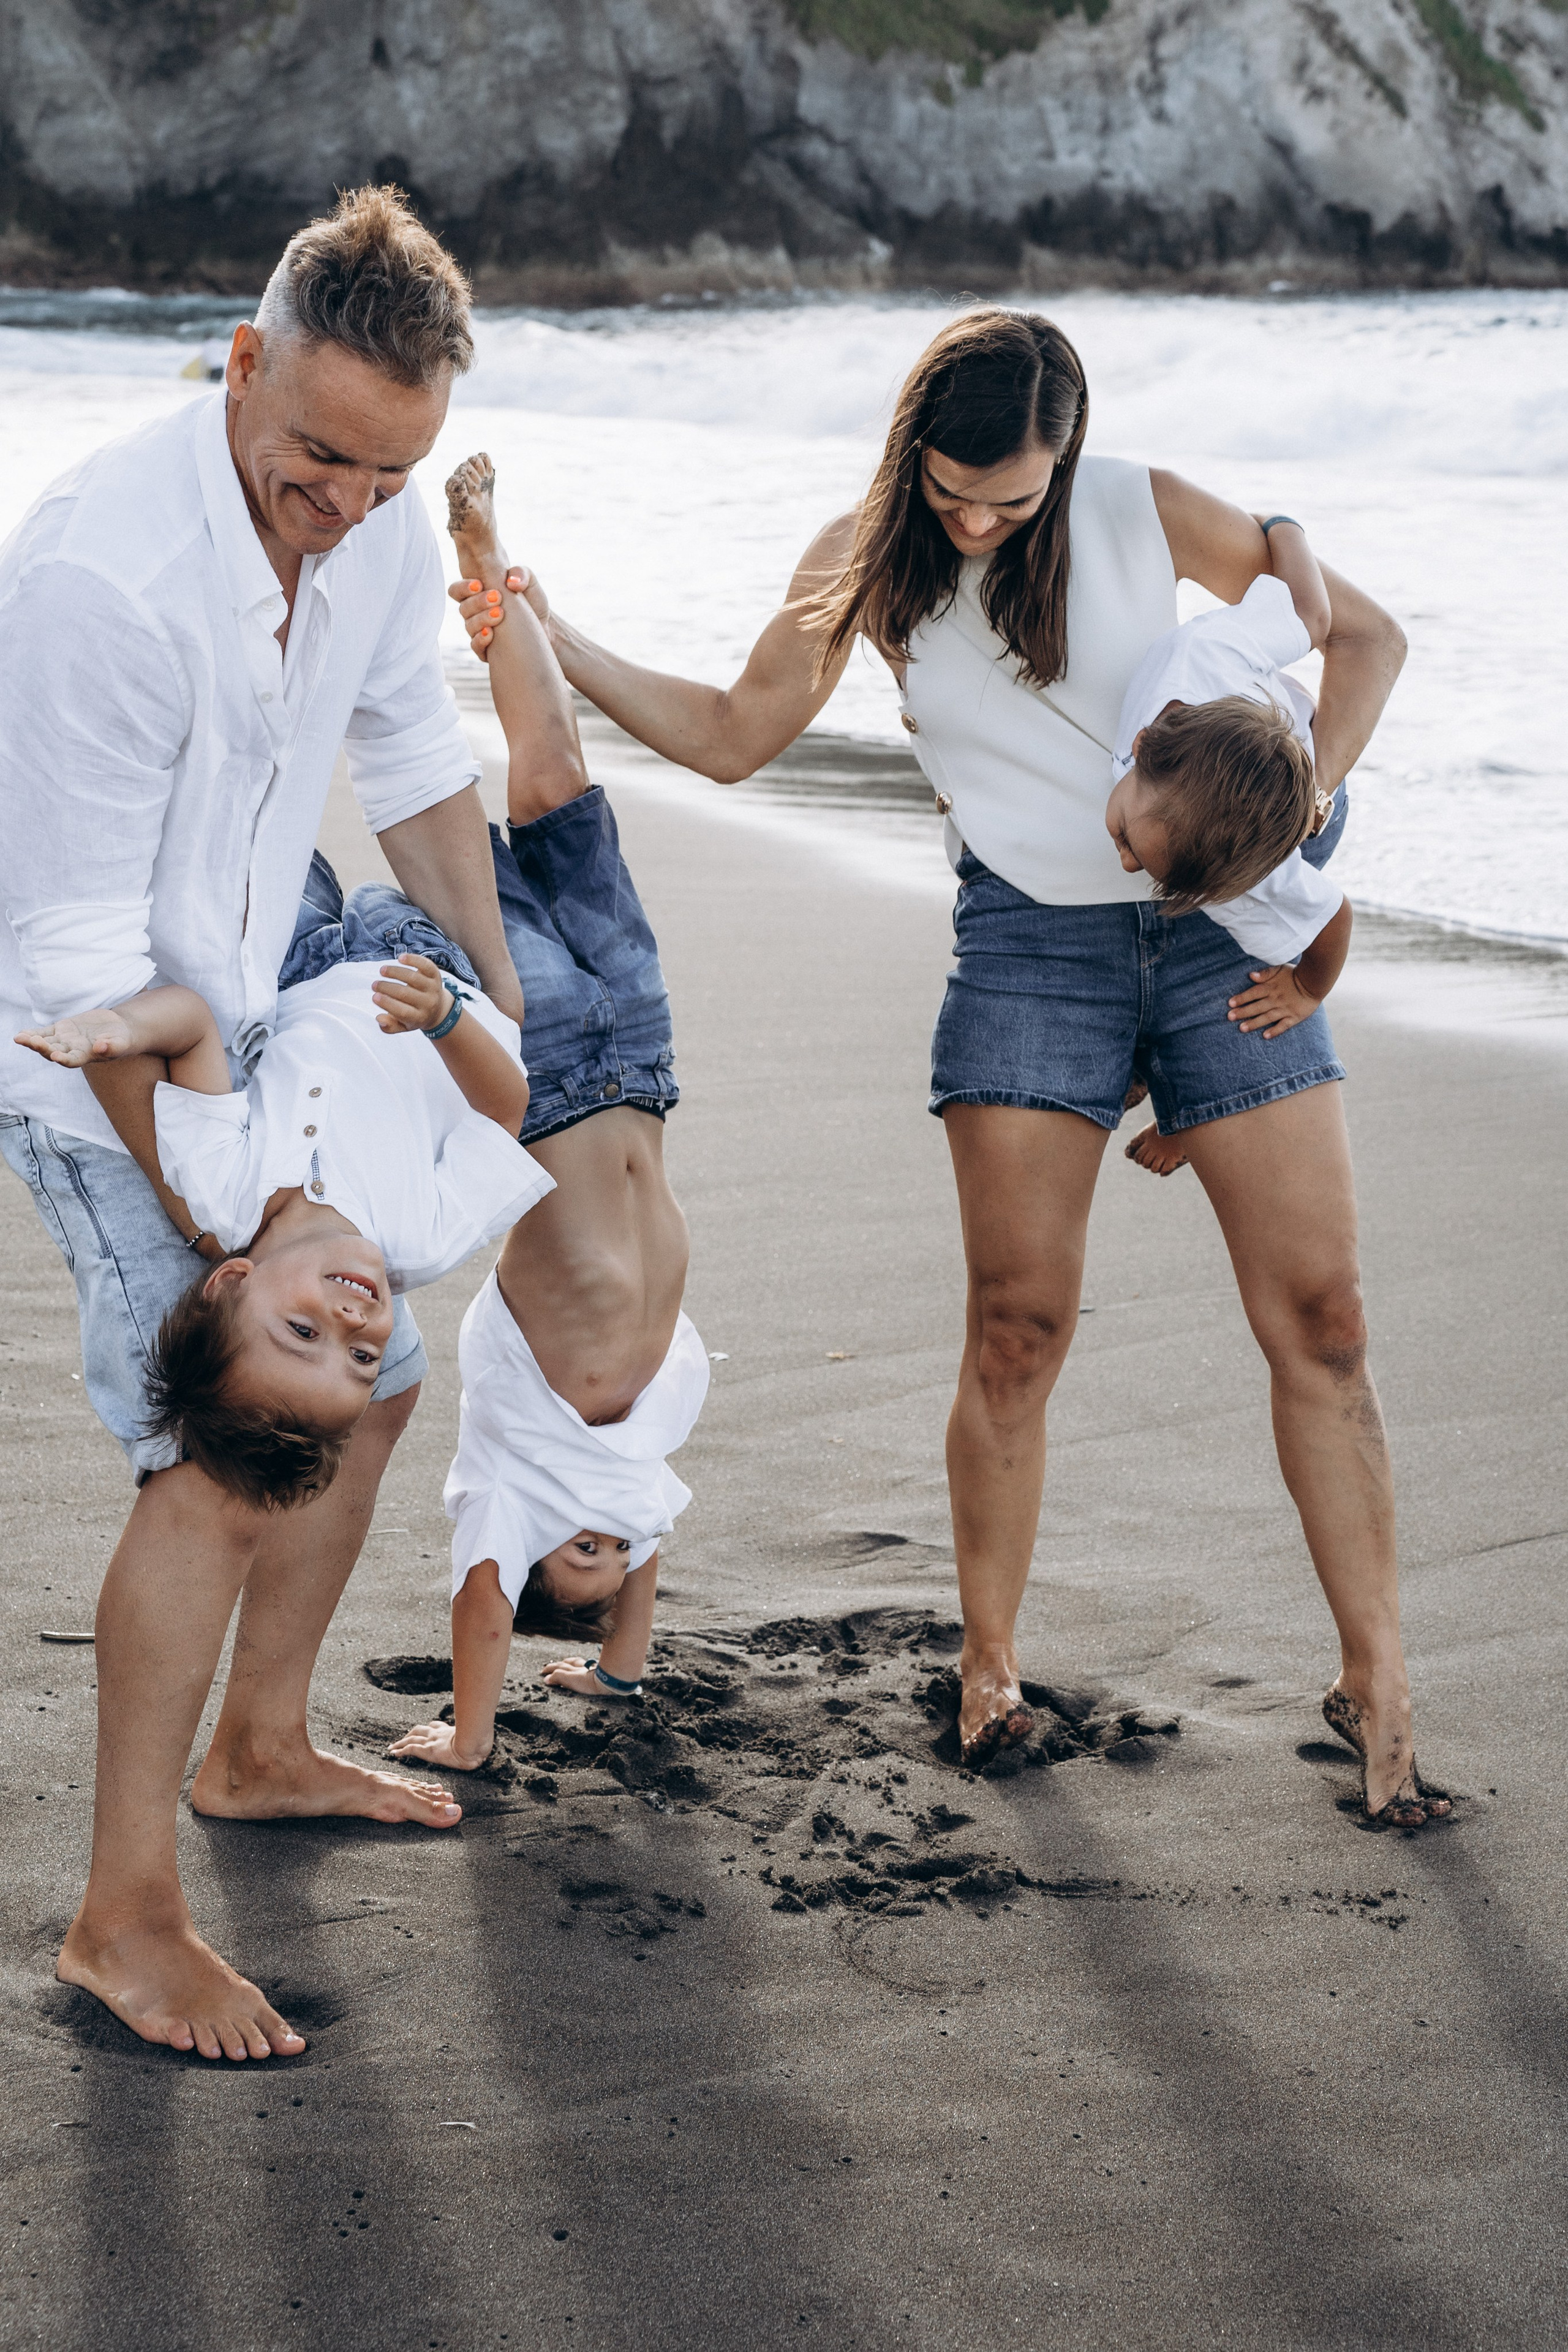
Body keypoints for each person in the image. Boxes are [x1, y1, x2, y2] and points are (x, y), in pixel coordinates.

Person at [464, 307, 1448, 1829]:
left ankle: (1375, 1681)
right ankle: (988, 1669)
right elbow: (734, 734)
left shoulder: (1134, 503)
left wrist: (1286, 800)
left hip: (1217, 943)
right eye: (952, 491)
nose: (979, 520)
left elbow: (1365, 635)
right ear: (911, 447)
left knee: (1322, 1318)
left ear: (1062, 457)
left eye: (1011, 497)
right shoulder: (869, 556)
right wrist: (555, 630)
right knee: (1015, 1324)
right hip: (1027, 948)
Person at [0, 186, 527, 2062]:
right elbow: (77, 972)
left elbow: (407, 749)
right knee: (218, 1451)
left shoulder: (371, 510)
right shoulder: (99, 578)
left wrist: (488, 985)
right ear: (239, 363)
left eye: (390, 475)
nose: (350, 505)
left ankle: (260, 1743)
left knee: (367, 1376)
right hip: (100, 1054)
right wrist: (238, 1222)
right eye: (314, 457)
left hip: (262, 993)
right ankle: (121, 1918)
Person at [386, 450, 707, 1776]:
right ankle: (482, 556)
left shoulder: (510, 1486)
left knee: (449, 820)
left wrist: (473, 1734)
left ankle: (373, 606)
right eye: (605, 1568)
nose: (600, 1557)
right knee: (557, 771)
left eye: (568, 1573)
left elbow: (482, 1601)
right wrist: (613, 1670)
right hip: (640, 1058)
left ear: (524, 1565)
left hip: (536, 1065)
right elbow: (639, 1569)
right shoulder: (642, 1477)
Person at [16, 895, 549, 1504]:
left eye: (301, 1331)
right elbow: (505, 1112)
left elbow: (193, 1027)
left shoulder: (221, 1195)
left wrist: (124, 1028)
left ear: (231, 1281)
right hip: (434, 970)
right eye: (362, 1357)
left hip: (297, 962)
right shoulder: (423, 1242)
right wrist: (444, 1018)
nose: (353, 1325)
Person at [1099, 519, 1355, 1175]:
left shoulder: (1253, 878)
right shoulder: (1203, 652)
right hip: (1238, 757)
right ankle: (1145, 1065)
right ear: (1142, 745)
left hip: (1291, 818)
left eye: (1136, 854)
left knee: (1216, 963)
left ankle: (1188, 1108)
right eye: (1132, 839)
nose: (1125, 862)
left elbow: (1331, 915)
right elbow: (1307, 612)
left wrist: (1305, 988)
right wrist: (1279, 530)